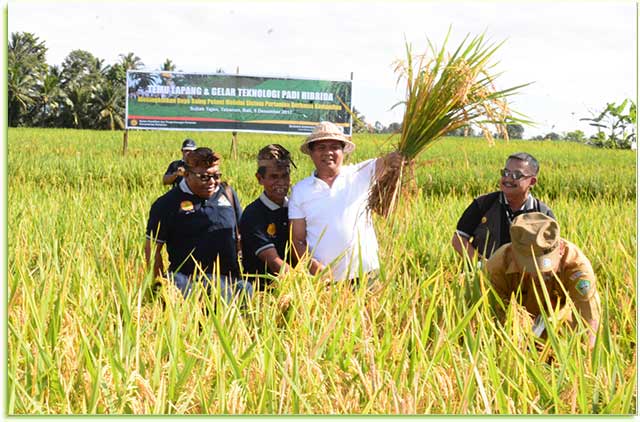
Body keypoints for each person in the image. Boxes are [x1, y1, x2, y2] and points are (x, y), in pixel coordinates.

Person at [288, 121, 403, 283]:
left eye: (334, 147)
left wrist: (399, 158)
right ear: (312, 153)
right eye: (321, 148)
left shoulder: (360, 173)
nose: (328, 152)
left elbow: (388, 161)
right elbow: (297, 240)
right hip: (324, 280)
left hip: (366, 274)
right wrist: (311, 264)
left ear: (343, 152)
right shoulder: (300, 191)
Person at [145, 147, 251, 300]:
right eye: (204, 177)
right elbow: (152, 249)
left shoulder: (227, 194)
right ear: (186, 174)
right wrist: (162, 287)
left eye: (216, 176)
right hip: (186, 285)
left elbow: (241, 234)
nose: (212, 182)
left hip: (229, 284)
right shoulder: (166, 204)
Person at [486, 212, 600, 347]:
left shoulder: (577, 268)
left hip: (559, 328)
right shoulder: (497, 266)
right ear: (513, 252)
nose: (536, 274)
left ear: (561, 249)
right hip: (515, 330)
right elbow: (494, 314)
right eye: (528, 266)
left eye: (544, 267)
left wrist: (587, 355)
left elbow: (588, 317)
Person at [452, 152, 556, 262]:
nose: (508, 179)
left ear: (532, 181)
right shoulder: (483, 204)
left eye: (516, 175)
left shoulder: (543, 213)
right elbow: (459, 239)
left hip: (525, 277)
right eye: (505, 173)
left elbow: (552, 251)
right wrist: (481, 265)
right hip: (482, 275)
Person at [239, 144, 296, 289]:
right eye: (274, 177)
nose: (281, 183)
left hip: (292, 284)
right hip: (263, 292)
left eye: (285, 176)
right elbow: (273, 262)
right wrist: (304, 285)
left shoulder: (296, 208)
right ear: (259, 178)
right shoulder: (252, 214)